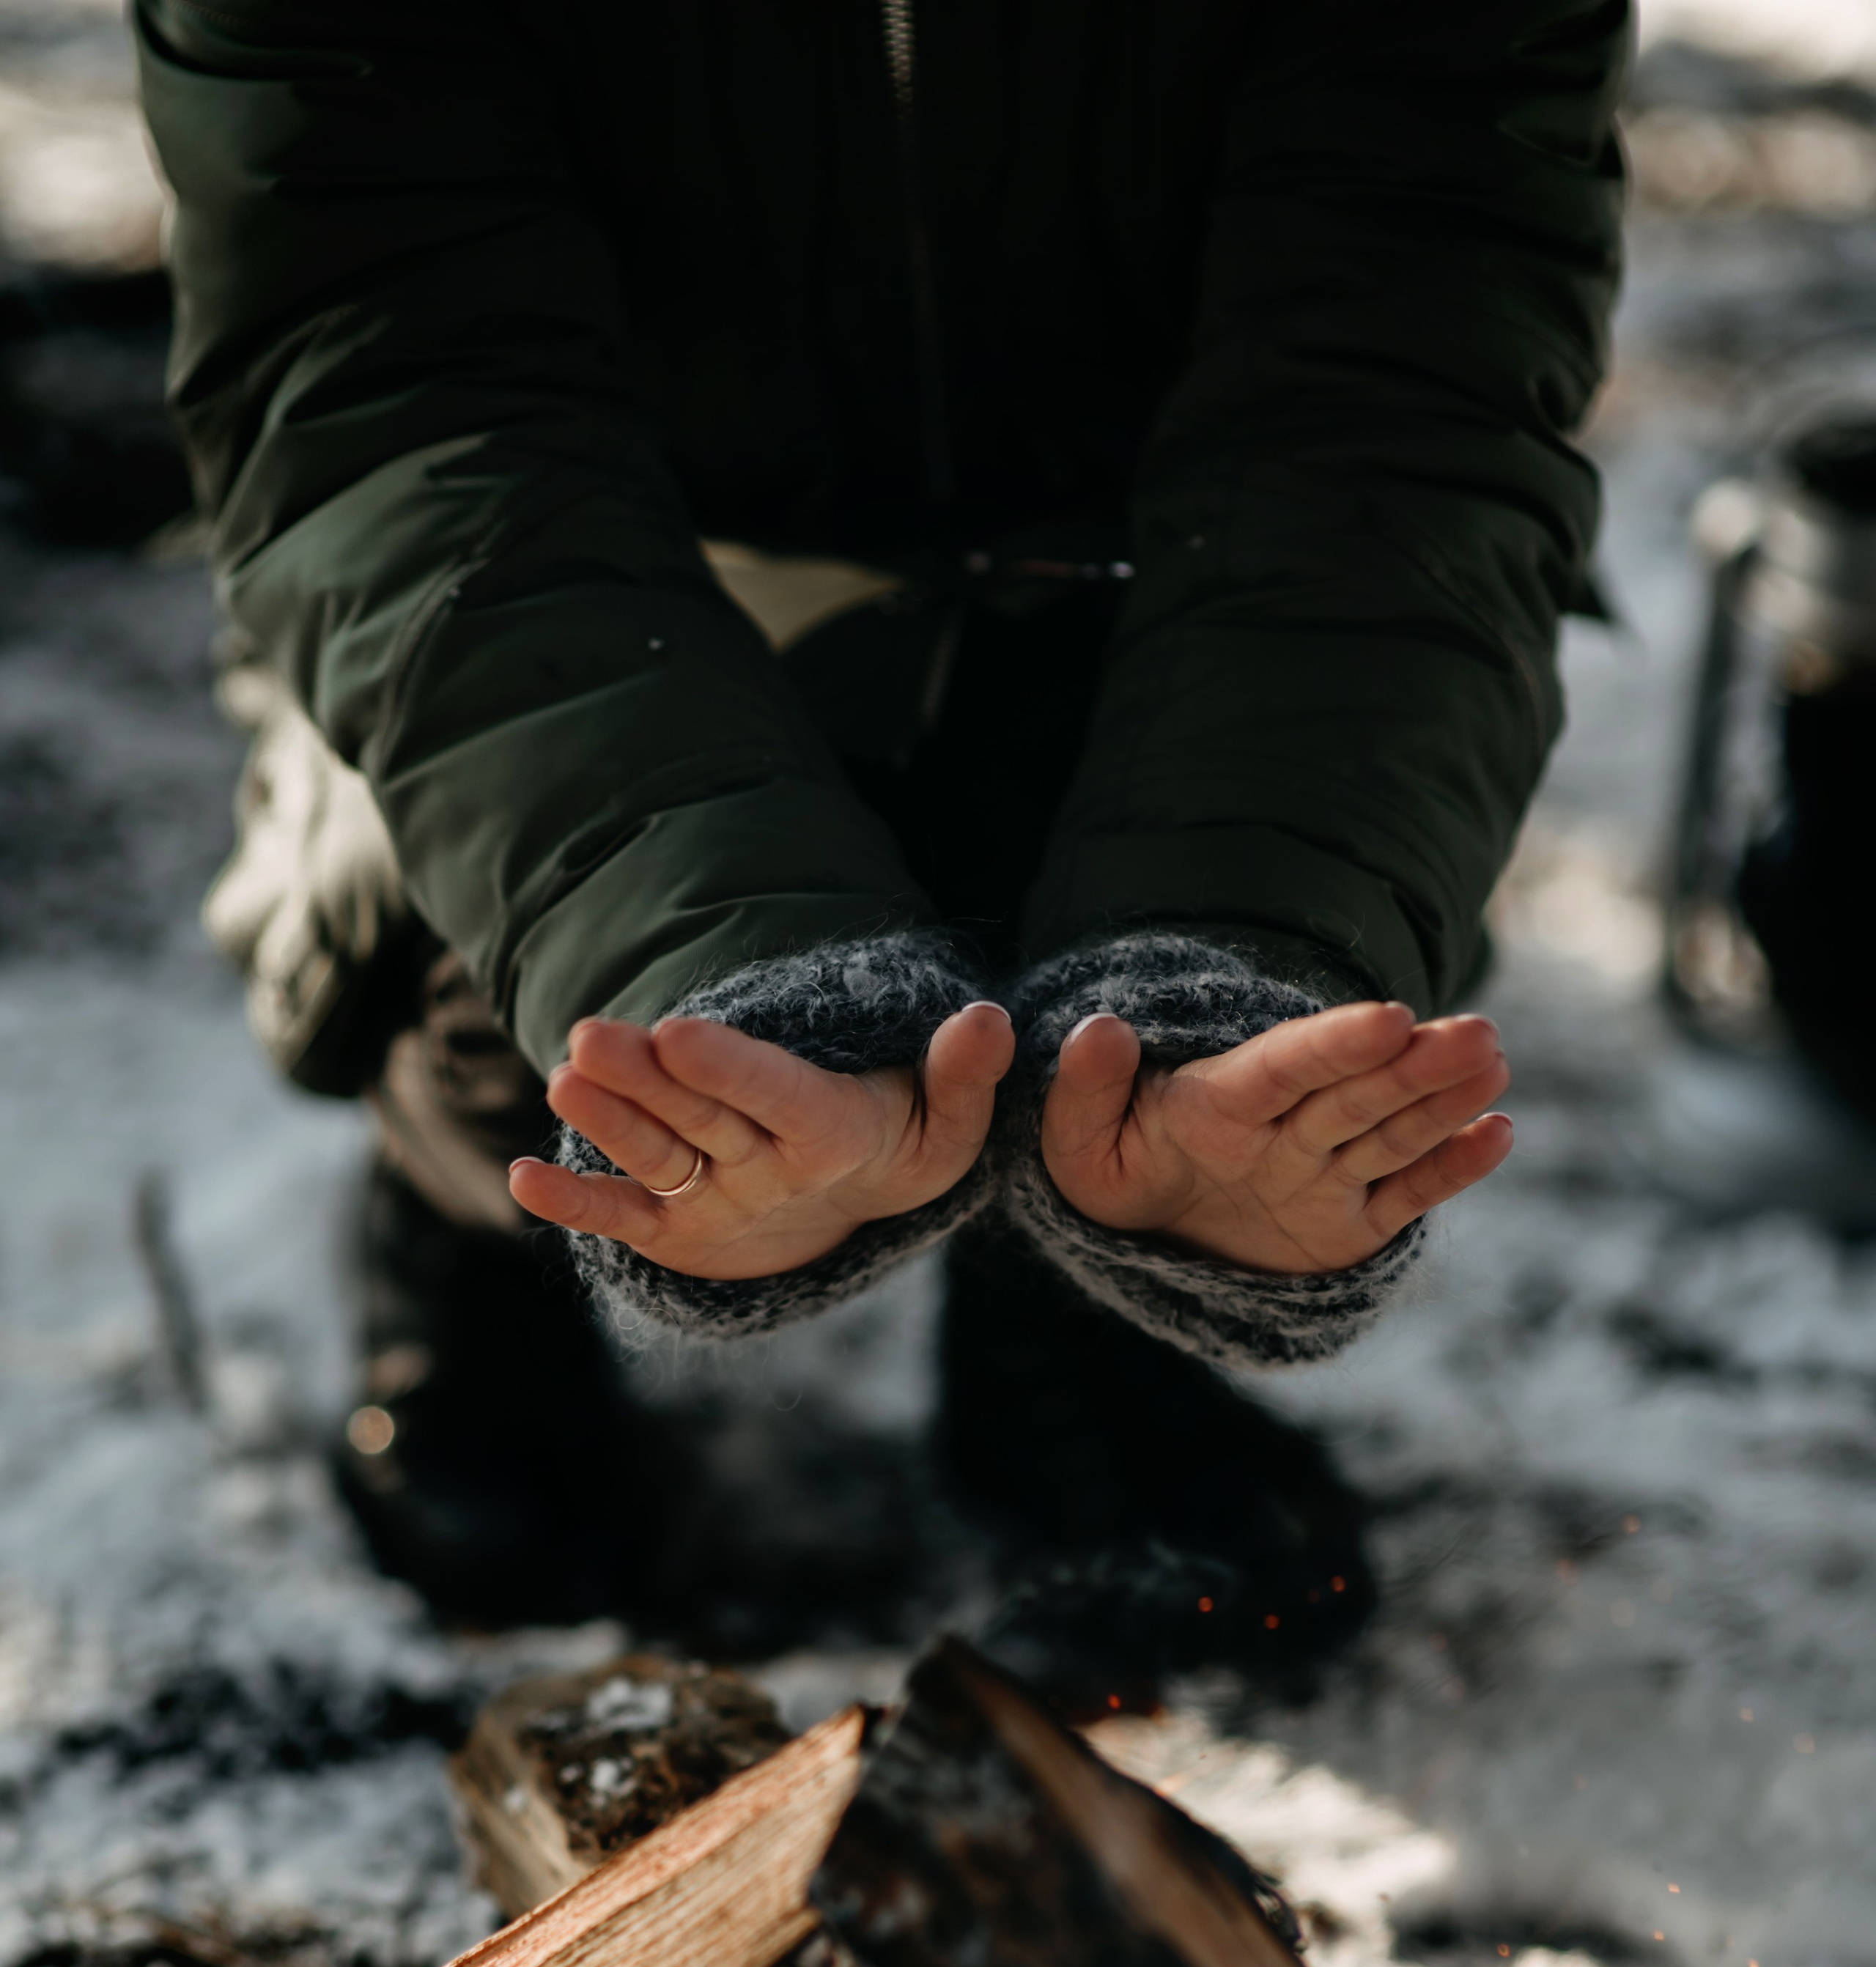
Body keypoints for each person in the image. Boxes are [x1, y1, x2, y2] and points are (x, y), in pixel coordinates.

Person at [137, 0, 1625, 1661]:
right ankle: (480, 1241)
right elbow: (392, 408)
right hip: (602, 581)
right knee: (550, 990)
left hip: (1145, 580)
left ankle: (1073, 1321)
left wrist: (1221, 988)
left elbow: (1402, 402)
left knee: (1150, 938)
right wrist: (729, 986)